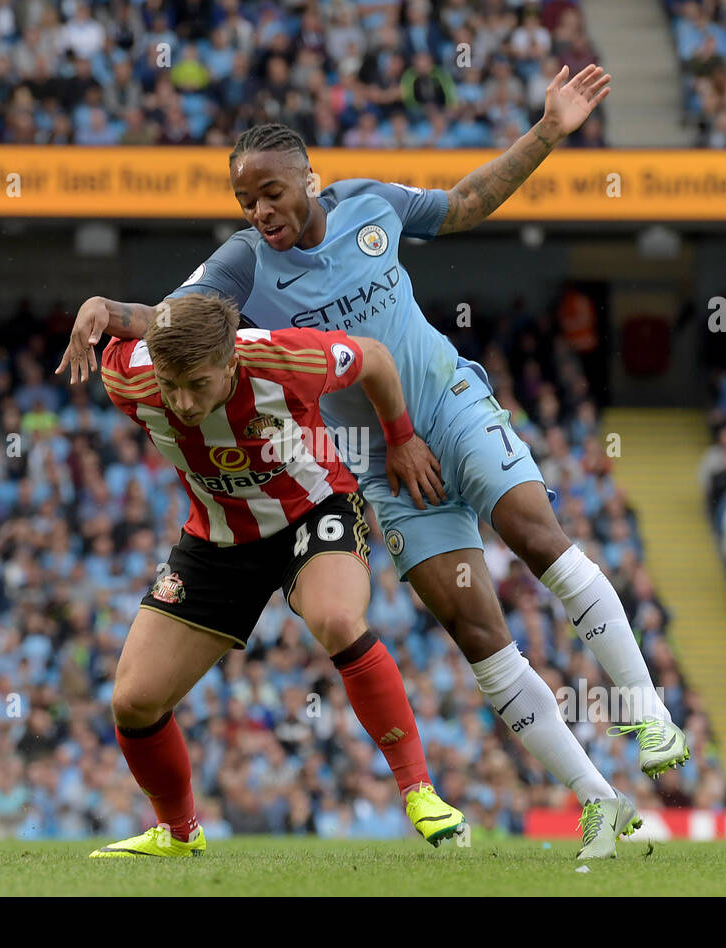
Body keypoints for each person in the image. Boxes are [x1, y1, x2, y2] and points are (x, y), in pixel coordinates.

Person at [60, 66, 678, 858]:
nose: (261, 211)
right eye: (247, 201)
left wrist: (550, 130)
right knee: (477, 630)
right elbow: (178, 323)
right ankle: (598, 798)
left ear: (309, 178)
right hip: (382, 465)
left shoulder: (369, 206)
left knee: (531, 530)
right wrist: (110, 312)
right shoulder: (243, 264)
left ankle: (647, 712)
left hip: (446, 408)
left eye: (273, 193)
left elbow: (465, 204)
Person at [88, 292, 463, 858]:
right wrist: (99, 306)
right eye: (172, 385)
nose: (184, 402)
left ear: (232, 360)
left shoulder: (290, 359)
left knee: (337, 618)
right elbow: (124, 325)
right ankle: (180, 833)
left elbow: (378, 359)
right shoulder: (130, 378)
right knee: (133, 702)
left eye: (199, 383)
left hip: (314, 511)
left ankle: (419, 791)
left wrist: (401, 437)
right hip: (217, 540)